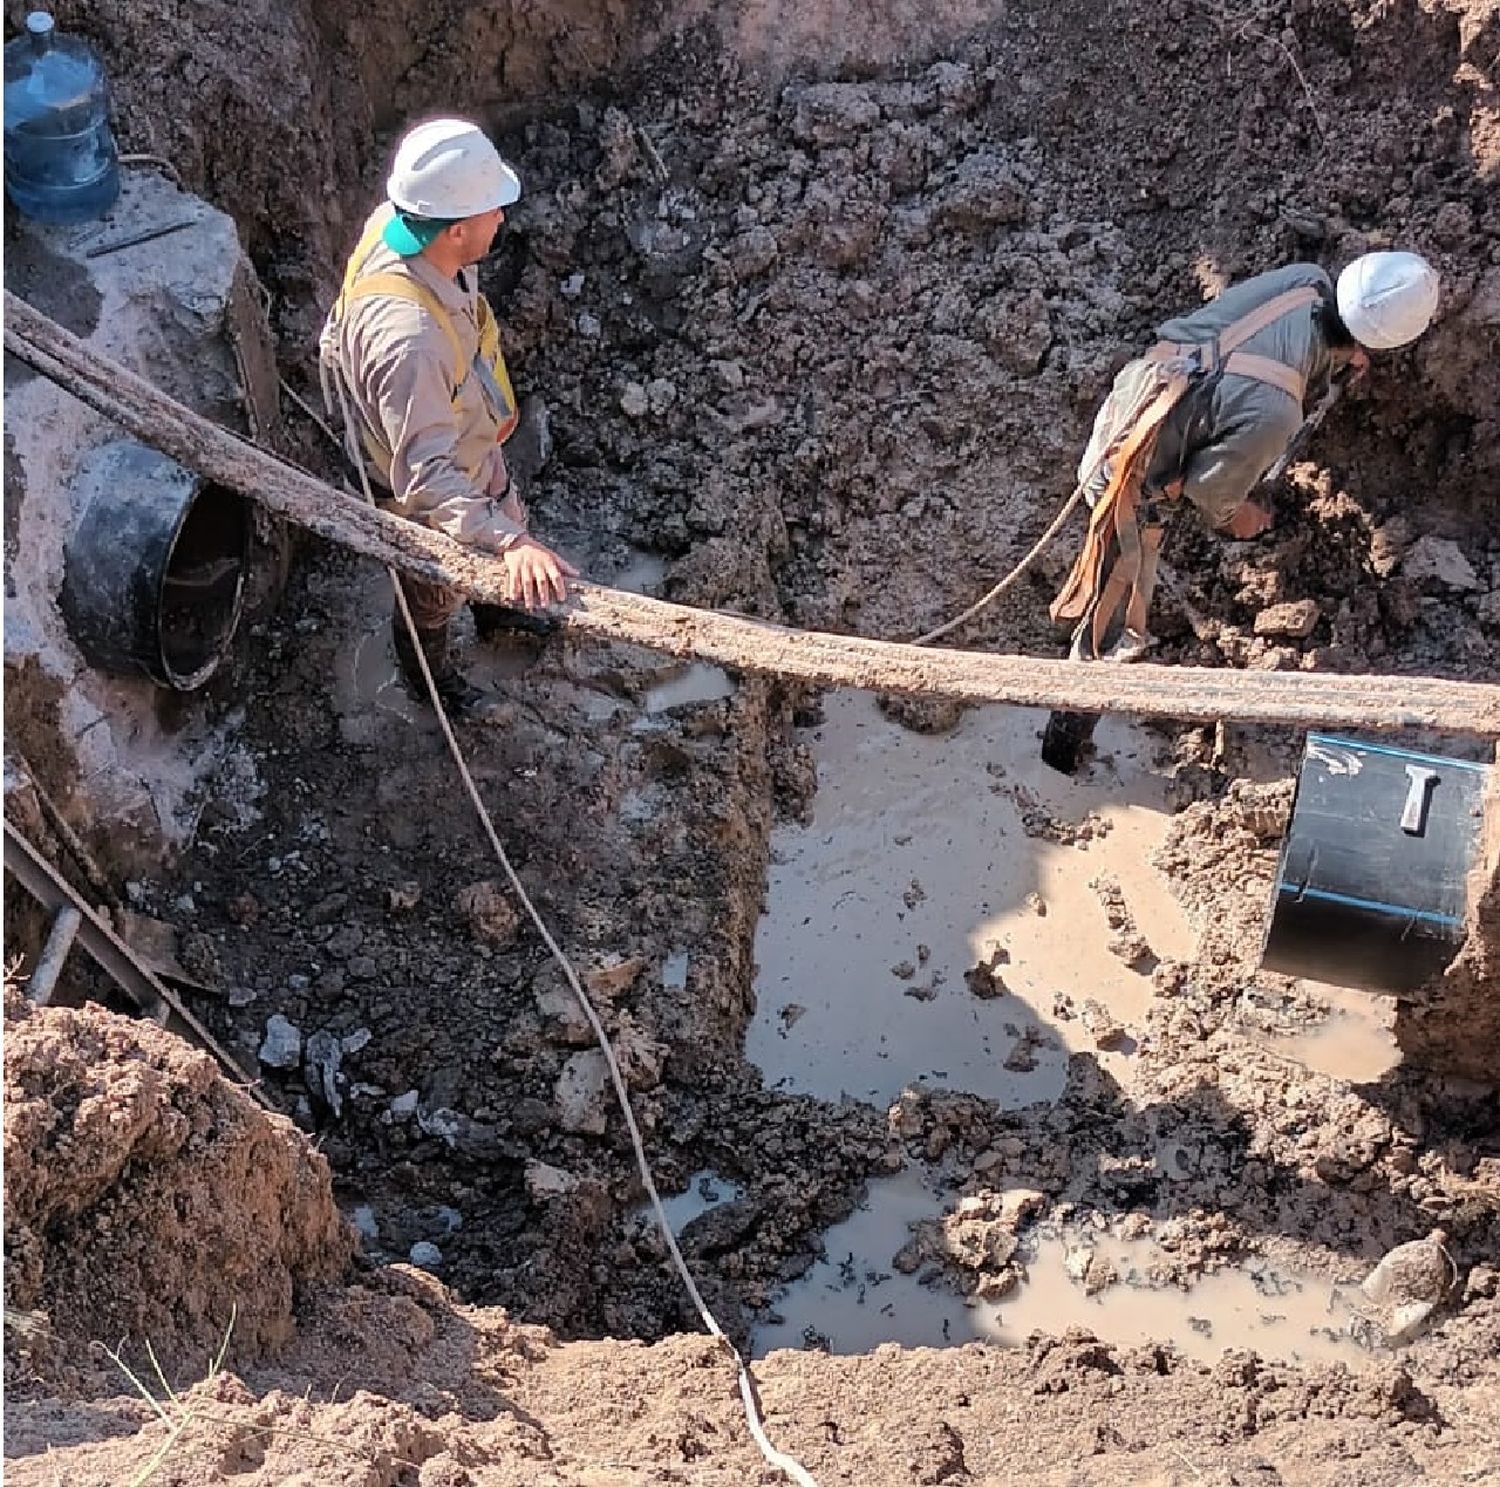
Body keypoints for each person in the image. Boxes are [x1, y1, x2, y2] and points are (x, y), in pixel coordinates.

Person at [1042, 251, 1439, 771]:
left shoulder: (1306, 280)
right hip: (1126, 474)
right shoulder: (1277, 412)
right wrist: (1245, 517)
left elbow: (1246, 340)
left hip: (1134, 394)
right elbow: (1210, 495)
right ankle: (1061, 748)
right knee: (1112, 617)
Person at [320, 116, 576, 721]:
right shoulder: (410, 342)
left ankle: (497, 608)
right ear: (457, 229)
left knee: (502, 507)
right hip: (421, 458)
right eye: (492, 212)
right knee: (434, 586)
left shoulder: (407, 223)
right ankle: (429, 679)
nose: (502, 221)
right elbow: (428, 480)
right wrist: (509, 542)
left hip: (453, 418)